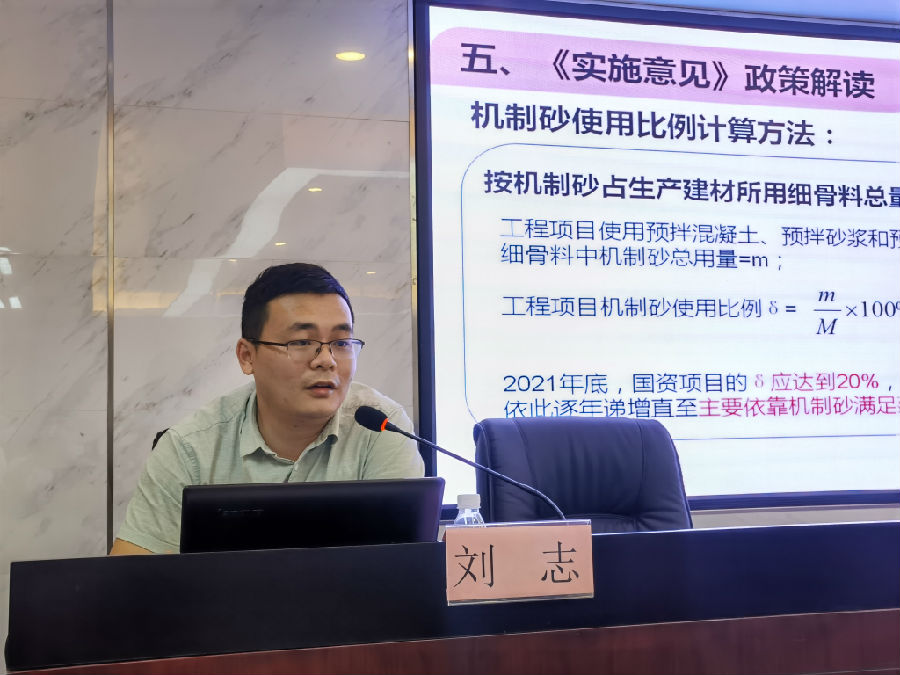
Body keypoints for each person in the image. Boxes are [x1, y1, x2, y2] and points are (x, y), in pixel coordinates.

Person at [110, 263, 424, 555]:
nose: (326, 360)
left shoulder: (381, 427)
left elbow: (404, 567)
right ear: (247, 356)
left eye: (341, 343)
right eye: (301, 342)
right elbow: (130, 577)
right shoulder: (190, 448)